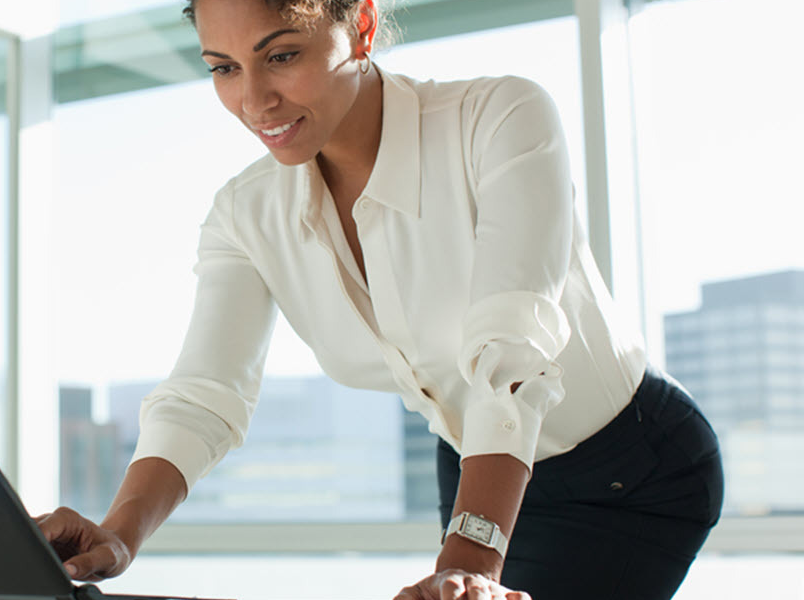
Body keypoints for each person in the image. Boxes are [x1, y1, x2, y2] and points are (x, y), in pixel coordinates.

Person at [36, 0, 724, 598]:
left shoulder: (500, 117)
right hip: (472, 468)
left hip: (629, 470)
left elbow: (511, 348)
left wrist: (467, 563)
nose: (253, 100)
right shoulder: (244, 214)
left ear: (361, 25)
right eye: (223, 67)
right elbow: (203, 395)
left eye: (281, 55)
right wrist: (119, 535)